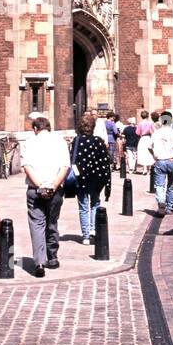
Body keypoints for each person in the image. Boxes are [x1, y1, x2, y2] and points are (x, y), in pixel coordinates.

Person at [21, 112, 70, 277]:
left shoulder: (30, 142)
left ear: (35, 128)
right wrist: (54, 186)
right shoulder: (60, 141)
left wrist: (40, 185)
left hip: (35, 190)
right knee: (52, 222)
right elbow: (65, 167)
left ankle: (39, 262)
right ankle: (53, 257)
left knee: (37, 225)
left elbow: (26, 166)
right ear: (49, 127)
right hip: (55, 189)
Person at [72, 110, 112, 243]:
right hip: (96, 178)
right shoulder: (98, 141)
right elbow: (105, 161)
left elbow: (72, 161)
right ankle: (93, 229)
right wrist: (106, 181)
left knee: (83, 207)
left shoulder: (77, 141)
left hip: (81, 178)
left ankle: (85, 236)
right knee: (95, 203)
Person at [151, 111, 173, 216]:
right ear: (171, 121)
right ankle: (169, 207)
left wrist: (154, 155)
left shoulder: (156, 133)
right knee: (172, 185)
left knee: (159, 185)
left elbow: (150, 147)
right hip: (172, 160)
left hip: (160, 161)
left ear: (161, 120)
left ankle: (161, 201)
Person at [135, 109, 155, 174]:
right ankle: (149, 169)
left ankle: (144, 169)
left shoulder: (140, 124)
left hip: (143, 138)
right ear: (147, 116)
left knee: (143, 153)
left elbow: (137, 133)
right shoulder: (150, 123)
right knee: (149, 153)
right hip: (149, 138)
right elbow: (153, 132)